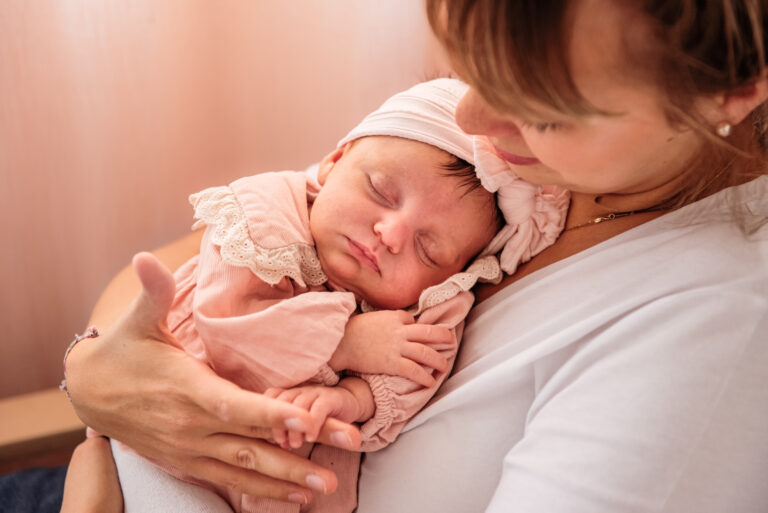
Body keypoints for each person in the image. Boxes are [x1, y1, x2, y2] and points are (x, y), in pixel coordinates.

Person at [58, 1, 767, 512]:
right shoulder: (530, 159)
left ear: (728, 94)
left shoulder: (715, 334)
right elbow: (204, 251)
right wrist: (99, 375)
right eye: (469, 59)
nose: (472, 119)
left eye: (542, 107)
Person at [60, 78, 567, 513]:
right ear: (333, 162)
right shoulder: (266, 219)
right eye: (380, 191)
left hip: (295, 488)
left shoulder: (429, 303)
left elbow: (418, 374)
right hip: (166, 463)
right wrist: (344, 342)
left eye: (428, 249)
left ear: (454, 273)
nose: (390, 233)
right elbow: (227, 324)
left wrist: (354, 397)